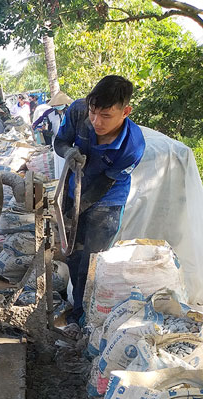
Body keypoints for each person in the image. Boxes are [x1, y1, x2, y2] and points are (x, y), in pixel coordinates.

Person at [54, 75, 145, 328]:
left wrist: (78, 210)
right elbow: (59, 142)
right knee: (72, 254)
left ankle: (87, 320)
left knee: (92, 263)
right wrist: (69, 152)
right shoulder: (78, 111)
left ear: (125, 111)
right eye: (94, 113)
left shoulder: (132, 146)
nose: (96, 121)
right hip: (75, 190)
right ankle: (78, 308)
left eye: (106, 116)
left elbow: (106, 182)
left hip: (107, 200)